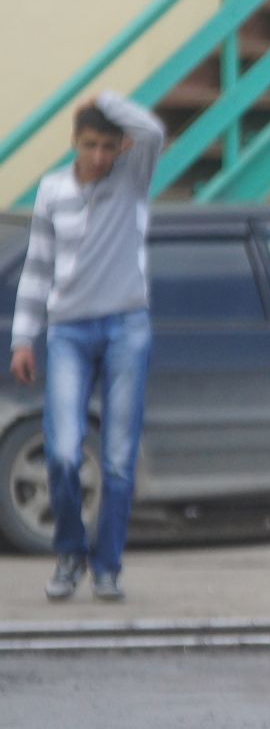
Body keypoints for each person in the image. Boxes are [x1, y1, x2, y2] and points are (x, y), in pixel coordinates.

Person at [8, 93, 165, 602]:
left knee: (118, 458)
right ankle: (70, 552)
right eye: (89, 145)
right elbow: (37, 266)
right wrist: (23, 339)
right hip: (69, 331)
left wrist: (110, 102)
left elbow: (154, 132)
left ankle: (108, 566)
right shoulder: (53, 190)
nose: (99, 156)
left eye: (108, 146)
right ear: (75, 144)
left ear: (121, 147)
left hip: (126, 327)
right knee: (61, 452)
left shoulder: (132, 178)